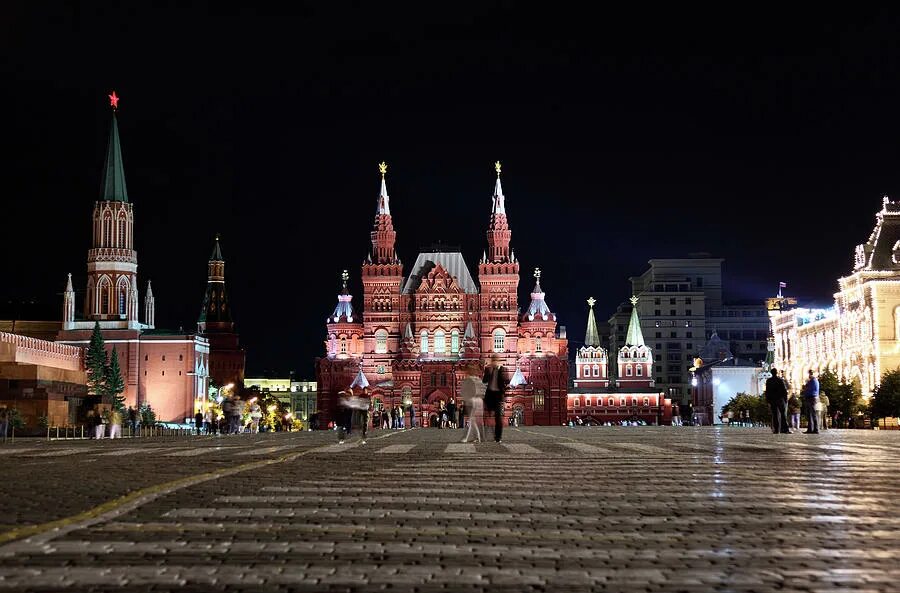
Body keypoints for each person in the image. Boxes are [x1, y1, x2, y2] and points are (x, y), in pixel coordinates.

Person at [483, 354, 509, 443]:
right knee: (486, 415)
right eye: (493, 359)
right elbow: (484, 381)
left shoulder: (503, 370)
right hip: (489, 396)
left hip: (498, 396)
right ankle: (485, 433)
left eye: (496, 359)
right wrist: (489, 373)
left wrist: (504, 392)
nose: (494, 361)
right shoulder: (488, 369)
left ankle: (498, 437)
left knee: (498, 417)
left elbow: (506, 381)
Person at [460, 363, 485, 443]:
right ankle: (477, 438)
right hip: (473, 401)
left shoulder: (474, 379)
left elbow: (481, 391)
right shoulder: (476, 379)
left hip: (474, 401)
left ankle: (466, 438)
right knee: (472, 420)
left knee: (471, 420)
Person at [765, 368, 791, 434]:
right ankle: (785, 429)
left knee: (775, 415)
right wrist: (785, 400)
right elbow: (784, 391)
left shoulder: (769, 381)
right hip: (780, 400)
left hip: (772, 400)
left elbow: (767, 392)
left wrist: (768, 401)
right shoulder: (780, 380)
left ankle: (776, 430)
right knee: (783, 415)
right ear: (776, 373)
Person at [800, 369, 820, 434]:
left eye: (809, 374)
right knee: (810, 414)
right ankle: (810, 429)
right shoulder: (813, 381)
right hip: (812, 398)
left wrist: (805, 388)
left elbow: (808, 389)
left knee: (813, 414)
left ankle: (815, 429)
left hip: (811, 398)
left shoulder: (813, 381)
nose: (808, 375)